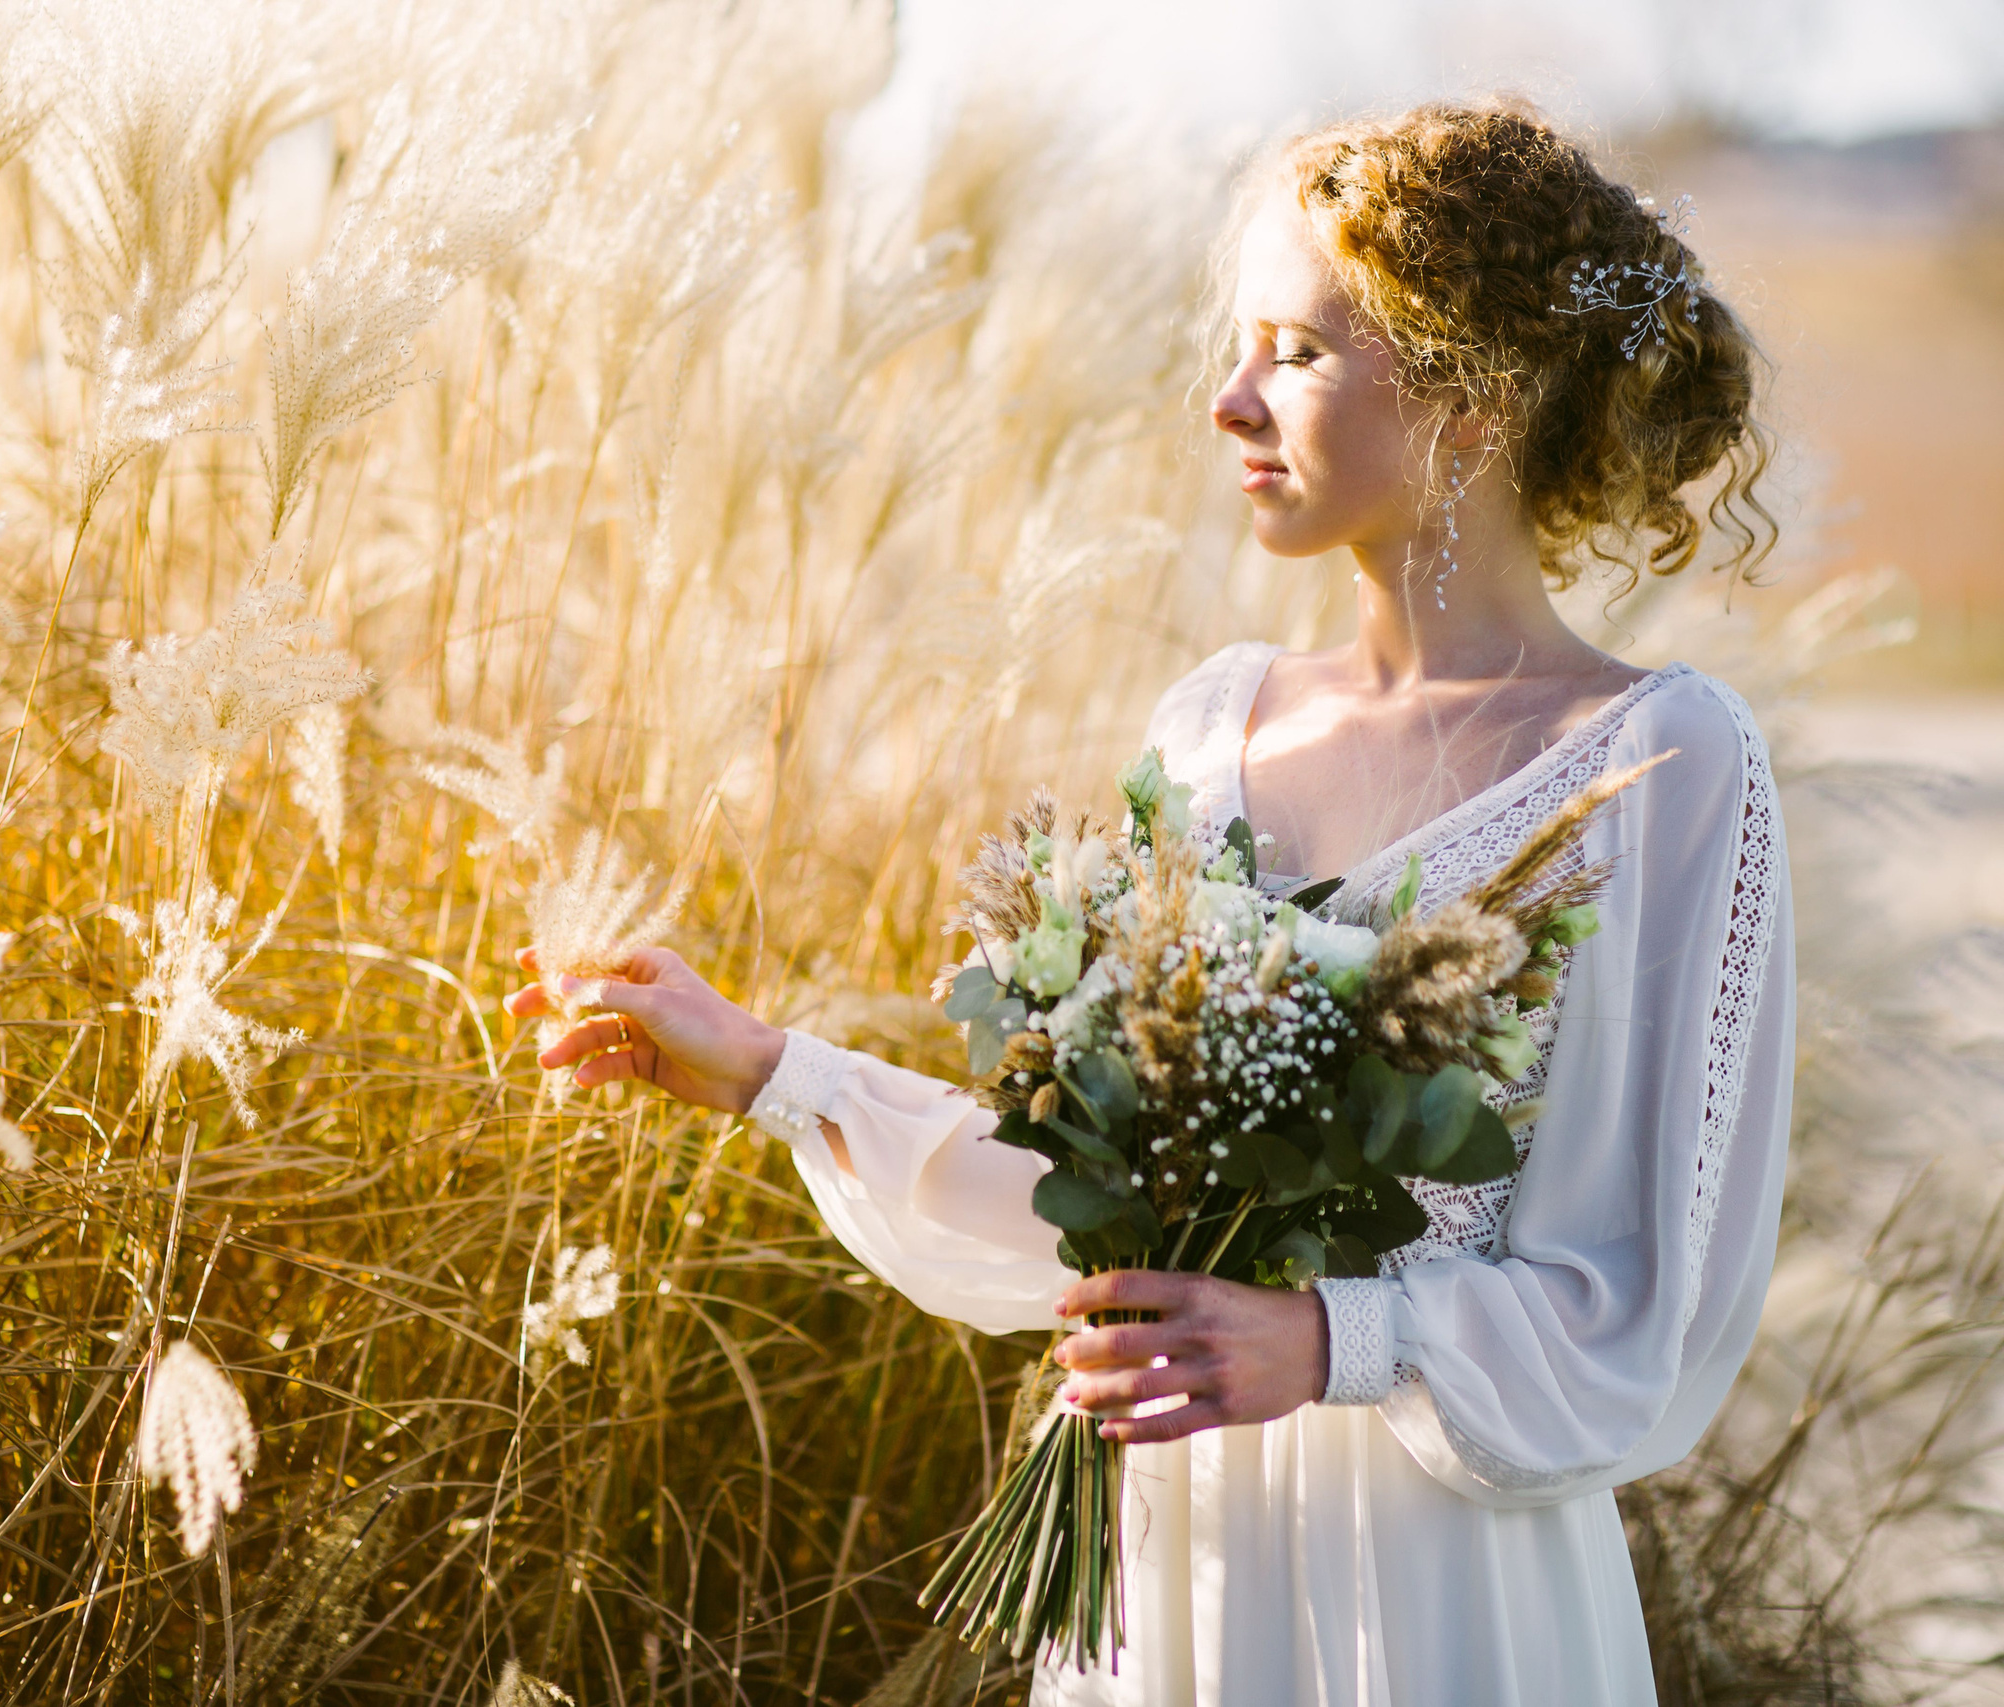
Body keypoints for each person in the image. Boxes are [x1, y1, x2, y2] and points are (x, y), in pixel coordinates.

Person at [505, 101, 1791, 1706]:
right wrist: (773, 1071)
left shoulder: (1664, 762)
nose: (1227, 399)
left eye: (1298, 355)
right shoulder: (1214, 723)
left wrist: (1328, 1341)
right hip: (1170, 1572)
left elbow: (1638, 1306)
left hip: (1444, 1586)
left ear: (1474, 396)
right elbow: (1078, 1202)